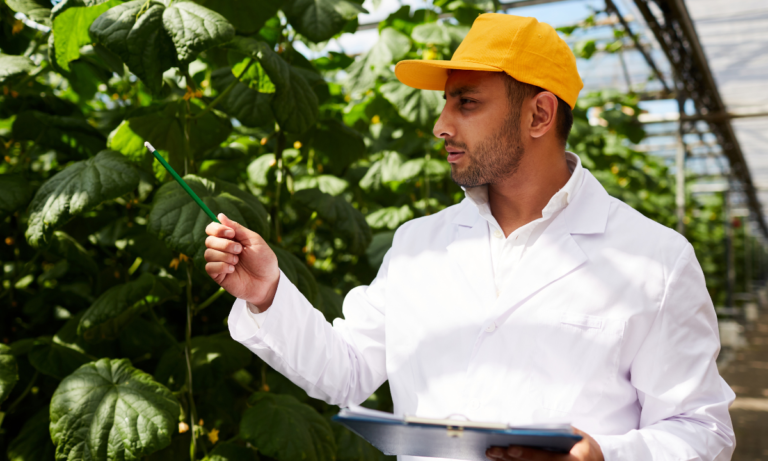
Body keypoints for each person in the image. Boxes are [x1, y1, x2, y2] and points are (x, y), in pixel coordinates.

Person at [203, 13, 736, 461]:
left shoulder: (655, 260)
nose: (440, 125)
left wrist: (604, 454)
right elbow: (347, 372)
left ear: (540, 114)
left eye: (466, 103)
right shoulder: (418, 245)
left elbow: (702, 429)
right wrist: (268, 294)